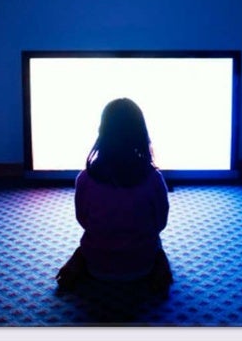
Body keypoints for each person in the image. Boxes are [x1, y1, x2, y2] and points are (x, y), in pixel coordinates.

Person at [55, 98, 173, 293]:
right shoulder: (153, 179)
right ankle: (160, 268)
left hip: (97, 266)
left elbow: (82, 220)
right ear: (141, 133)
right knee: (156, 245)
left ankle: (77, 264)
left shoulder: (85, 178)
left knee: (87, 244)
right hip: (142, 266)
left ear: (102, 132)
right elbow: (160, 223)